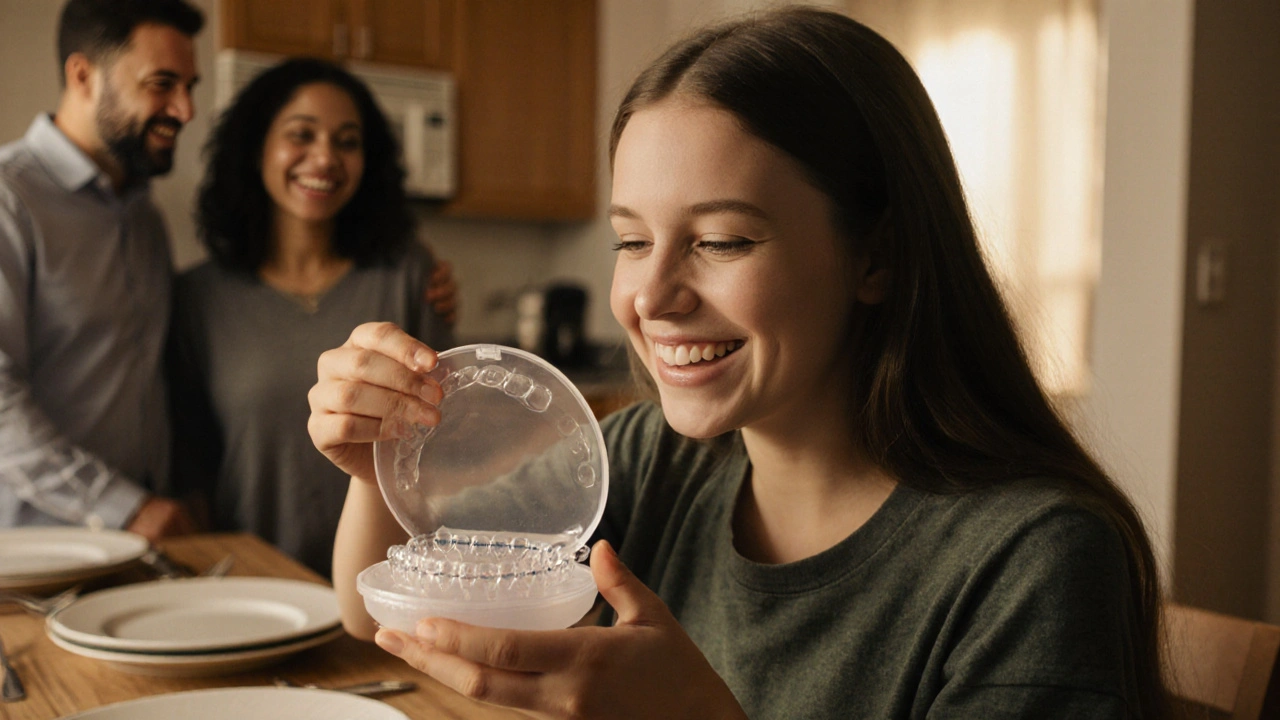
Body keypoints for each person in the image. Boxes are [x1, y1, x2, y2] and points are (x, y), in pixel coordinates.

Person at [306, 7, 1171, 719]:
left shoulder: (1035, 561)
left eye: (722, 240)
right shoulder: (651, 459)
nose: (652, 294)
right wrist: (378, 467)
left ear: (877, 257)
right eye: (631, 240)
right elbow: (377, 613)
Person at [167, 58, 456, 577]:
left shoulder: (409, 274)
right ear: (257, 149)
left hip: (390, 581)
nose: (325, 158)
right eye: (301, 135)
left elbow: (441, 441)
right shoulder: (197, 298)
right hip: (253, 582)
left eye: (347, 141)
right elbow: (191, 464)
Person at [0, 0, 204, 540]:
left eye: (190, 87)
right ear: (83, 75)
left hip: (141, 543)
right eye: (162, 84)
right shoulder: (8, 199)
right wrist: (126, 508)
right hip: (33, 557)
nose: (185, 110)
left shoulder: (144, 215)